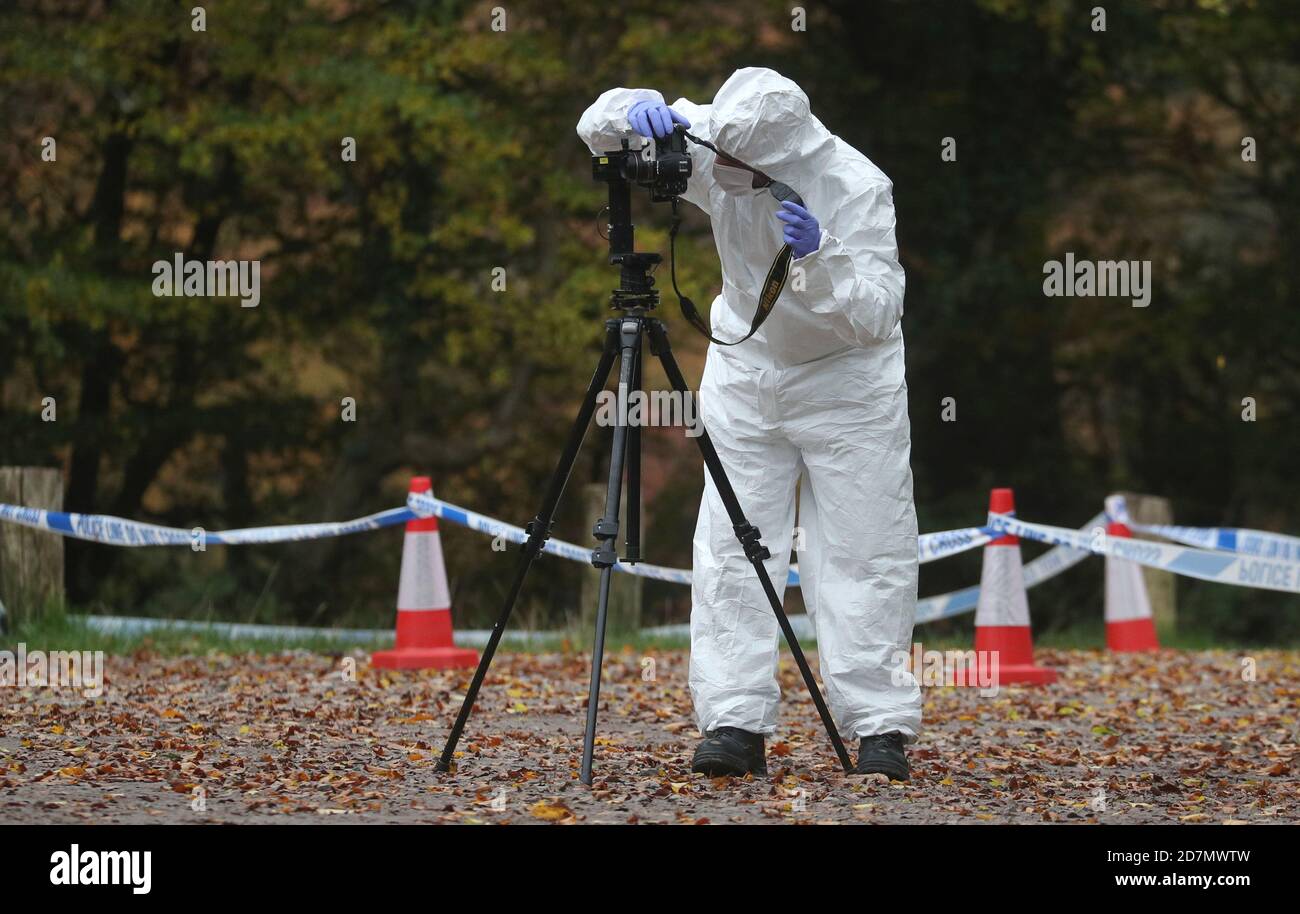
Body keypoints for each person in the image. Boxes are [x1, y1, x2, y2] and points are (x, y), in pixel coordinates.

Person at [576, 67, 920, 781]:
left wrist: (820, 260)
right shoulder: (724, 134)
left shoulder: (856, 185)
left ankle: (879, 727)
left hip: (847, 382)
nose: (718, 168)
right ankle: (734, 720)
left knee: (864, 551)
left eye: (736, 162)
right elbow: (596, 129)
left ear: (780, 157)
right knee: (733, 547)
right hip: (747, 369)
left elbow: (878, 313)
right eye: (718, 154)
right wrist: (630, 110)